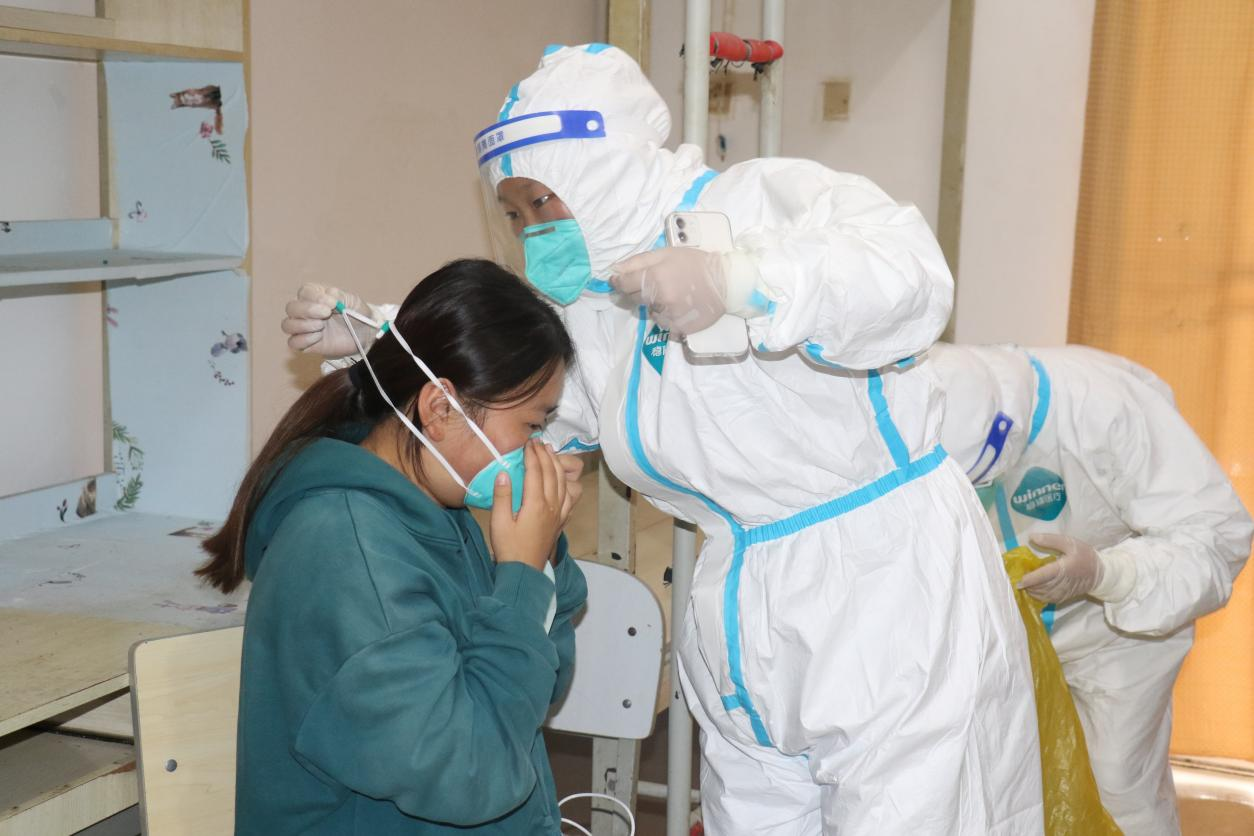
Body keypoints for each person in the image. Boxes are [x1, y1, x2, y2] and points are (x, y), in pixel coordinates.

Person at [282, 46, 1044, 834]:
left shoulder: (756, 203)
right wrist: (385, 342)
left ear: (602, 171)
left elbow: (908, 275)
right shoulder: (595, 301)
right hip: (740, 593)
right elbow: (529, 404)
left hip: (882, 585)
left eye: (543, 202)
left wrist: (742, 280)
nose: (534, 232)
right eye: (513, 215)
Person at [200, 259, 589, 835]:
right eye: (533, 425)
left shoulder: (442, 512)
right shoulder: (344, 554)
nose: (542, 449)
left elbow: (538, 686)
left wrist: (542, 554)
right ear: (440, 408)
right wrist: (522, 575)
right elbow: (469, 773)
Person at [928, 341, 1253, 836]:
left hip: (1119, 632)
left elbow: (1218, 536)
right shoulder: (923, 405)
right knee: (1003, 790)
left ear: (1005, 431)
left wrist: (1107, 574)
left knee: (1119, 787)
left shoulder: (1105, 407)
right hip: (1006, 639)